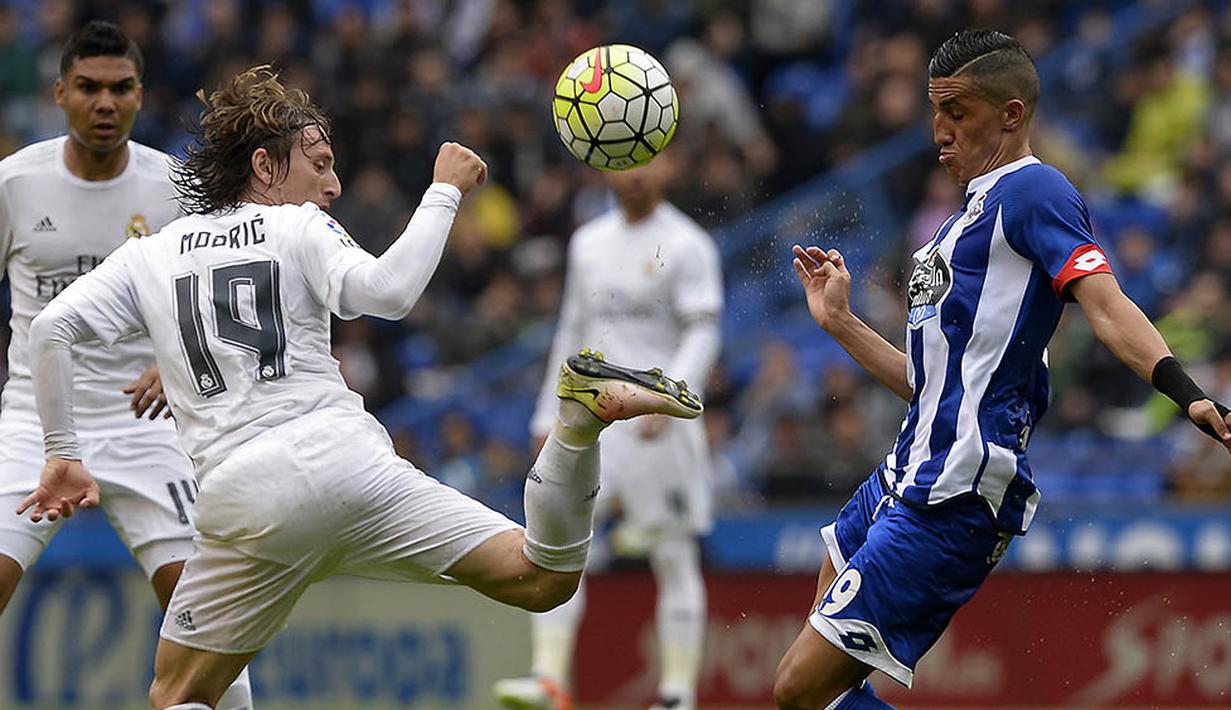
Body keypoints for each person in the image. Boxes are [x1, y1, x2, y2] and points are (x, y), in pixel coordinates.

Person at [15, 65, 704, 710]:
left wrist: (62, 451)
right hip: (348, 465)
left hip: (242, 497)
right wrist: (444, 191)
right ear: (264, 165)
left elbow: (50, 330)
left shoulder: (150, 255)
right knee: (543, 576)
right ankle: (578, 426)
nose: (335, 184)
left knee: (177, 694)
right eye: (320, 164)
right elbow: (391, 291)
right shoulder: (297, 225)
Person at [773, 30, 1231, 709]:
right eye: (935, 113)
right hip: (903, 470)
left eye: (957, 113)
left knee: (795, 691)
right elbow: (927, 388)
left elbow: (1106, 305)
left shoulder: (1033, 192)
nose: (939, 132)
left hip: (953, 493)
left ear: (1010, 114)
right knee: (827, 695)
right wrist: (840, 323)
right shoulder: (964, 223)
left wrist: (1183, 391)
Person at [0, 21, 255, 708]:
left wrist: (176, 362)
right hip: (34, 419)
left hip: (146, 426)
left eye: (119, 88)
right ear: (60, 93)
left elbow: (219, 303)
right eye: (88, 88)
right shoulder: (14, 185)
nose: (103, 103)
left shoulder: (174, 188)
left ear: (140, 95)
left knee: (203, 612)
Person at [495, 153, 723, 710]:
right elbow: (572, 328)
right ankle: (549, 679)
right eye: (625, 160)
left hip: (657, 425)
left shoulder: (689, 244)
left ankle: (676, 695)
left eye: (651, 159)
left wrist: (669, 397)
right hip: (596, 421)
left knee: (672, 553)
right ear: (604, 168)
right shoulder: (588, 243)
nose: (637, 172)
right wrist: (545, 415)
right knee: (560, 547)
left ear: (670, 166)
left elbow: (704, 330)